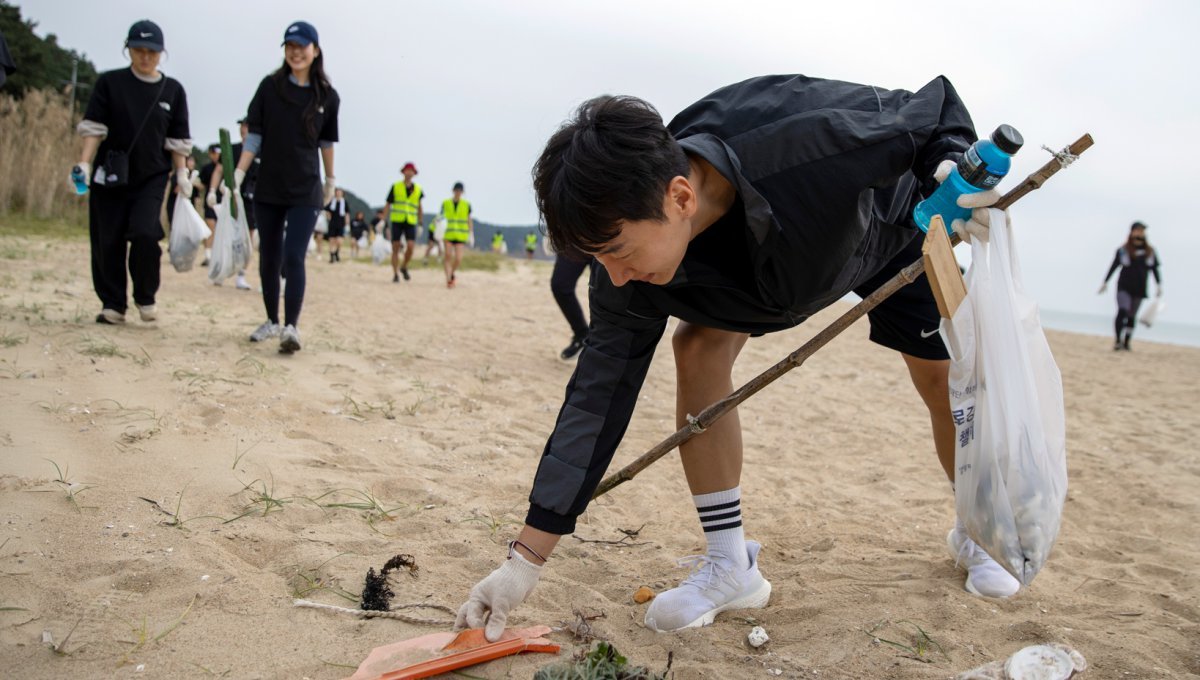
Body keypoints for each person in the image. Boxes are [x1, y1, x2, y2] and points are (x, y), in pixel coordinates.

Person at [456, 75, 1018, 642]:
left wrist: (950, 164)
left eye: (619, 252)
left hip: (893, 232)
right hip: (771, 276)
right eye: (598, 260)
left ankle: (975, 530)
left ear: (679, 197)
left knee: (943, 385)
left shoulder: (804, 140)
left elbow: (934, 107)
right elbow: (595, 401)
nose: (616, 276)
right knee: (696, 347)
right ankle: (730, 565)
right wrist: (524, 562)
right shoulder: (628, 276)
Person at [71, 19, 191, 325]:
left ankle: (145, 295)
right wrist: (84, 163)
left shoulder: (173, 91)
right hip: (110, 174)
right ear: (129, 50)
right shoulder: (110, 83)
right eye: (138, 50)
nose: (146, 57)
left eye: (152, 51)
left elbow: (177, 140)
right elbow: (94, 128)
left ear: (162, 52)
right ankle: (113, 303)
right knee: (107, 238)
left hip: (151, 176)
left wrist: (181, 176)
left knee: (145, 232)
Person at [231, 20, 339, 354]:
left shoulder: (327, 96)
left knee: (294, 255)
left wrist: (330, 179)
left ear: (315, 51)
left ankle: (291, 326)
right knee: (270, 257)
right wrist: (238, 172)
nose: (296, 52)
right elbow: (255, 135)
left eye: (302, 46)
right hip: (269, 185)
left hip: (306, 187)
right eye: (290, 46)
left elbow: (327, 141)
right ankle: (270, 320)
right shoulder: (270, 87)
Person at [1099, 221, 1162, 351]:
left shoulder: (1150, 252)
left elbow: (1155, 269)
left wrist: (1159, 285)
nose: (1140, 232)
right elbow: (1114, 265)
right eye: (1138, 230)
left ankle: (1127, 342)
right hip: (1124, 286)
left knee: (1132, 315)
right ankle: (1118, 340)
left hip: (1139, 288)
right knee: (1123, 310)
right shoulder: (1123, 250)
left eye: (1142, 230)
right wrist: (1105, 282)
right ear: (1132, 231)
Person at [550, 247, 592, 359]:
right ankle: (582, 335)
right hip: (574, 238)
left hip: (609, 236)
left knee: (606, 292)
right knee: (560, 286)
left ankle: (604, 346)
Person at [385, 162, 423, 282]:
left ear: (414, 173)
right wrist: (383, 221)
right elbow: (388, 204)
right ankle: (395, 273)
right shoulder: (395, 186)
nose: (409, 172)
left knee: (411, 247)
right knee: (395, 247)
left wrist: (421, 223)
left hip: (411, 221)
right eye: (407, 170)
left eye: (412, 170)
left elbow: (420, 207)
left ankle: (404, 266)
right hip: (397, 220)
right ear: (403, 172)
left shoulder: (418, 189)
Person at [440, 182, 472, 288]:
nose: (458, 192)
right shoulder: (445, 203)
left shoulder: (466, 205)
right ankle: (448, 279)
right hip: (448, 234)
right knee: (448, 256)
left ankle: (452, 273)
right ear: (453, 190)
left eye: (460, 190)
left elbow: (469, 220)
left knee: (458, 258)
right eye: (456, 190)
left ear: (462, 192)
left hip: (460, 235)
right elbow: (441, 218)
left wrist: (471, 233)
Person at [197, 143, 220, 266]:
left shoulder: (226, 168)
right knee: (210, 227)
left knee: (219, 230)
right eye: (215, 153)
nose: (217, 156)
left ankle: (217, 255)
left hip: (222, 202)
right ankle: (208, 254)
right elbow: (201, 184)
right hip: (210, 202)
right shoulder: (206, 169)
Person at [325, 187, 348, 262]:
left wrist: (347, 223)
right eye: (337, 192)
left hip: (341, 224)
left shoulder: (344, 202)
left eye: (340, 192)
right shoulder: (332, 202)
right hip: (332, 223)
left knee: (339, 241)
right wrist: (328, 216)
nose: (338, 193)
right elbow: (326, 209)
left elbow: (347, 214)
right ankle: (331, 256)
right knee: (331, 240)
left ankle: (337, 252)